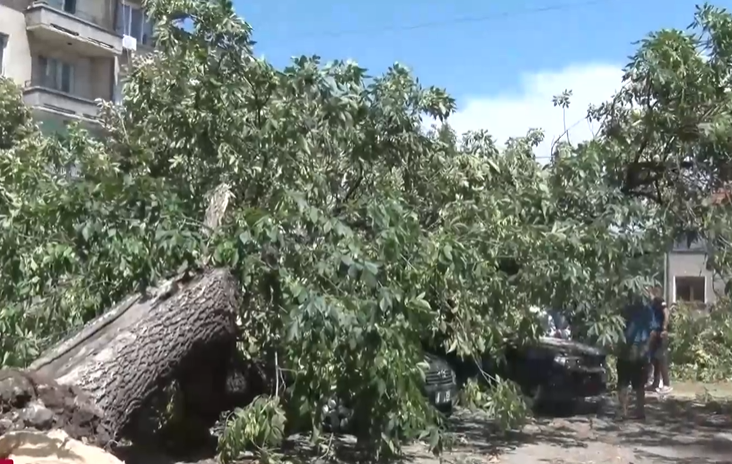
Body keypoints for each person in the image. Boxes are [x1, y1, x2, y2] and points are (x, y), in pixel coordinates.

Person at [617, 295, 658, 420]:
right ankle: (625, 411)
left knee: (637, 382)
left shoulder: (646, 309)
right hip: (626, 347)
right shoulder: (624, 308)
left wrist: (646, 347)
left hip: (638, 347)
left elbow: (653, 331)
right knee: (625, 381)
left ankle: (638, 411)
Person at [649, 290, 672, 394]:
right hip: (654, 334)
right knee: (654, 359)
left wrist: (664, 328)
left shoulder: (659, 301)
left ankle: (666, 384)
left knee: (662, 358)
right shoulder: (651, 304)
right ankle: (656, 382)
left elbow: (666, 313)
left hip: (660, 333)